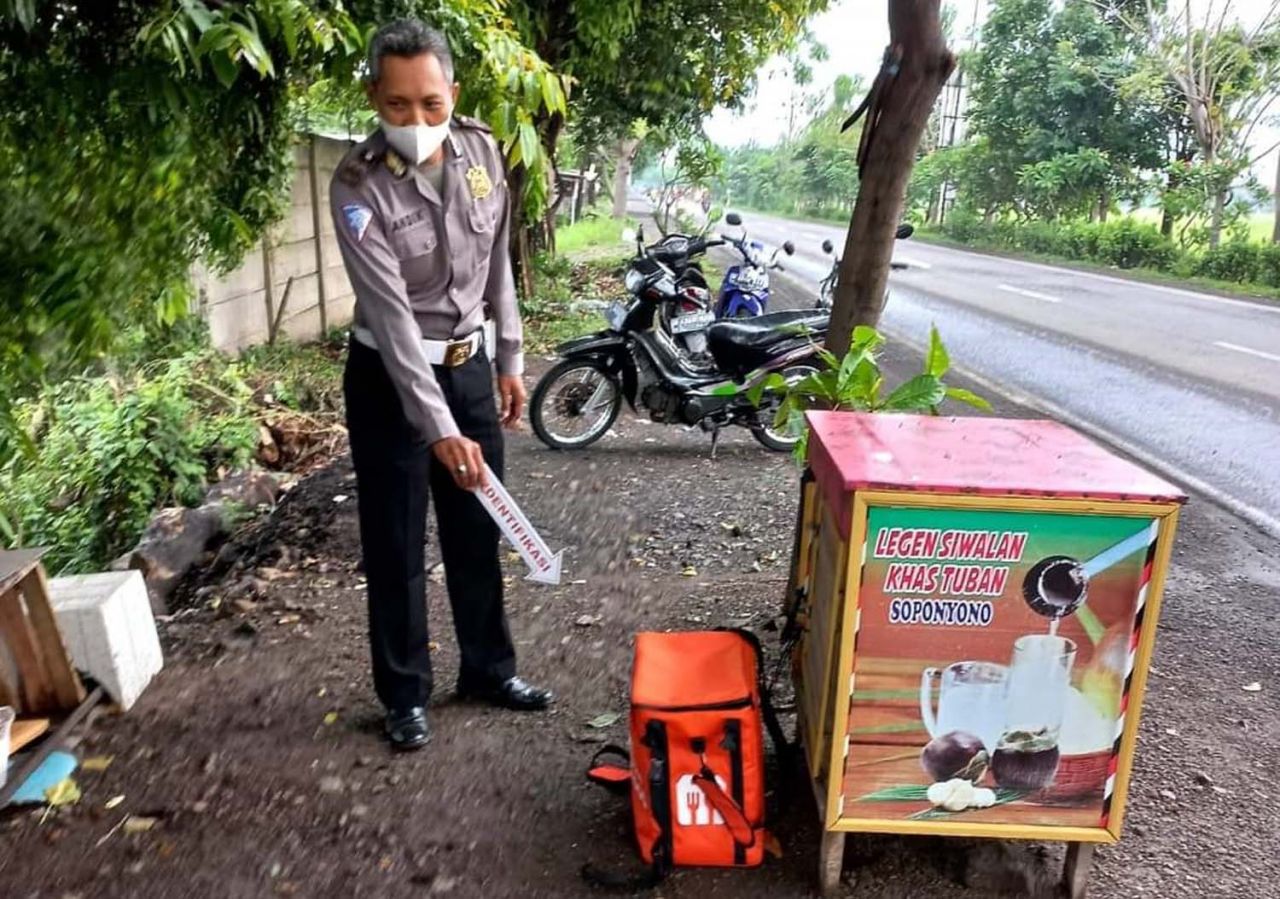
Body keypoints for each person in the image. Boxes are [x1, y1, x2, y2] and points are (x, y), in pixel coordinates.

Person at [330, 18, 552, 752]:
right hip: (391, 382)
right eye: (398, 105)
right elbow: (392, 323)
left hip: (471, 369)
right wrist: (441, 430)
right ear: (373, 98)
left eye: (431, 103)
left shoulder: (483, 150)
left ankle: (488, 669)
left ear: (452, 93)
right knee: (395, 540)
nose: (417, 120)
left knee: (476, 525)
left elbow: (496, 267)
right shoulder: (357, 187)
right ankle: (404, 693)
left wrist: (510, 359)